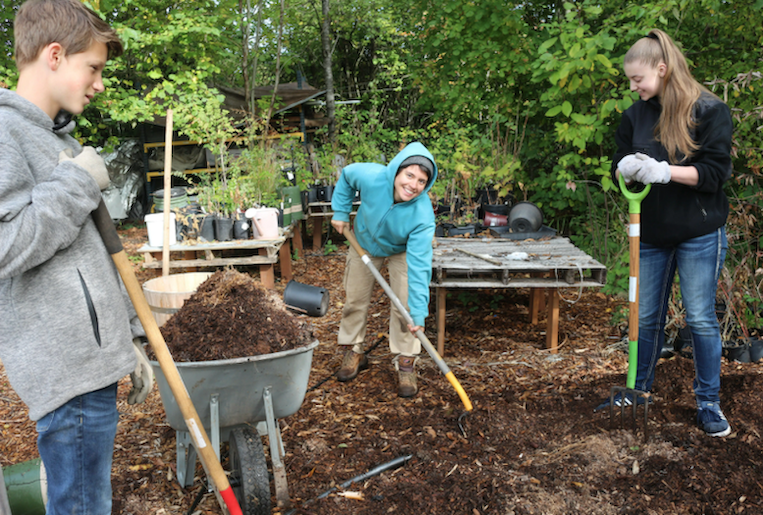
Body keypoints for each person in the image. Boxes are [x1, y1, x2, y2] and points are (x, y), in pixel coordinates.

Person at [0, 1, 153, 512]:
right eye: (94, 67)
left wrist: (127, 334)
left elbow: (96, 251)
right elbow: (6, 246)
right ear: (55, 54)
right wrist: (77, 181)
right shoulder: (5, 133)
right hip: (65, 369)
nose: (100, 83)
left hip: (88, 363)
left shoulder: (53, 138)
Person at [598, 29, 734, 437]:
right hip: (651, 232)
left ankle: (709, 403)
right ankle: (636, 391)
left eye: (638, 79)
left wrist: (664, 172)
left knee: (701, 319)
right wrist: (623, 167)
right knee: (646, 318)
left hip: (698, 230)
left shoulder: (709, 110)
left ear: (662, 68)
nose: (633, 86)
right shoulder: (634, 114)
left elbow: (715, 174)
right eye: (629, 80)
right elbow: (617, 164)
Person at [330, 142, 437, 398]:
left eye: (421, 181)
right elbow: (346, 176)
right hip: (364, 242)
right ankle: (354, 350)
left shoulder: (422, 215)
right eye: (409, 175)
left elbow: (420, 267)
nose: (413, 185)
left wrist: (420, 313)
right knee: (355, 299)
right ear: (397, 172)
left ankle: (406, 360)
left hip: (401, 250)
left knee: (407, 307)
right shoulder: (372, 177)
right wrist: (341, 211)